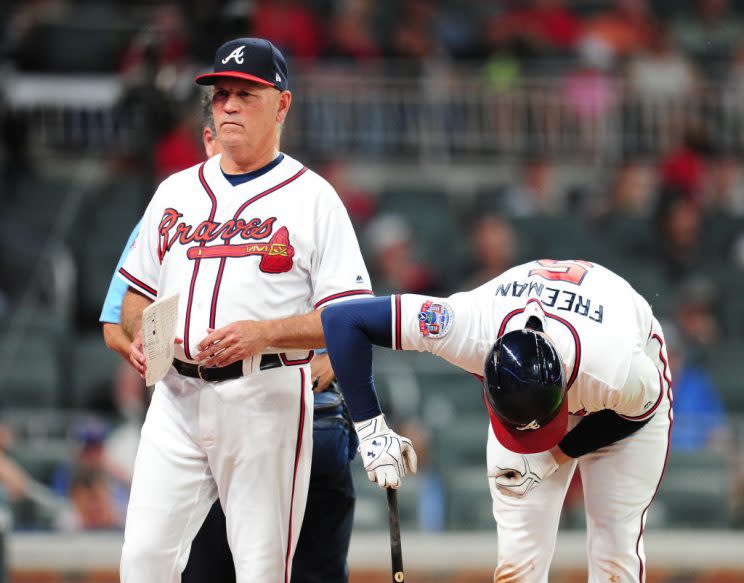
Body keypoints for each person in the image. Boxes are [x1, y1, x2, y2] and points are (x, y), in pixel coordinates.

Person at [108, 39, 372, 582]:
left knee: (259, 569)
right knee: (142, 561)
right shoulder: (175, 191)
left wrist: (264, 334)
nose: (227, 105)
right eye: (220, 94)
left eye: (245, 94)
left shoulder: (313, 198)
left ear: (282, 105)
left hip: (266, 398)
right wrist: (142, 337)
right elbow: (135, 297)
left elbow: (350, 319)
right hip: (176, 398)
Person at [321, 259, 673, 582]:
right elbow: (343, 320)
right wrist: (371, 431)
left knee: (615, 551)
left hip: (624, 402)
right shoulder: (465, 325)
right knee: (518, 564)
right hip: (560, 370)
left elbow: (641, 409)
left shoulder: (616, 368)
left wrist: (556, 455)